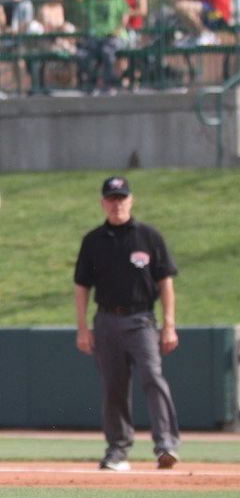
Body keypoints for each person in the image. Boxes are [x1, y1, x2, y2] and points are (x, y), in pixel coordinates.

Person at [74, 176, 180, 472]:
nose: (116, 203)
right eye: (111, 198)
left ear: (131, 201)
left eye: (121, 198)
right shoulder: (93, 241)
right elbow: (81, 286)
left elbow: (165, 282)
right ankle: (117, 451)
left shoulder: (148, 237)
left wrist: (169, 325)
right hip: (106, 320)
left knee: (153, 377)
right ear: (103, 202)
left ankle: (166, 446)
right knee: (114, 387)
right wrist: (83, 327)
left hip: (141, 319)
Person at [76, 0, 129, 93]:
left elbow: (125, 14)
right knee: (83, 55)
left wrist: (118, 29)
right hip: (96, 38)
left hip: (114, 37)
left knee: (107, 52)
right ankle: (91, 83)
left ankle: (108, 84)